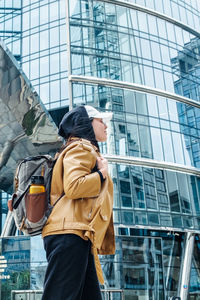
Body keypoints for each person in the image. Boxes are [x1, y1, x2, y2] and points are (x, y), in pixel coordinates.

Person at [41, 105, 115, 300]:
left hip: (78, 233)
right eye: (101, 121)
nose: (106, 126)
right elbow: (74, 186)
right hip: (69, 234)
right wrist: (101, 174)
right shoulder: (81, 147)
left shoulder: (80, 148)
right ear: (86, 123)